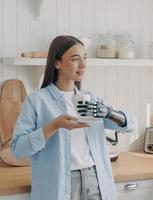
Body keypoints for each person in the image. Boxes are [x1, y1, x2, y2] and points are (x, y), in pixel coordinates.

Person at [11, 35, 137, 200]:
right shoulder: (37, 101)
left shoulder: (92, 100)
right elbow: (18, 149)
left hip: (96, 179)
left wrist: (109, 113)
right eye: (75, 59)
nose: (83, 65)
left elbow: (131, 124)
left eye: (85, 58)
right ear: (57, 63)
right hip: (60, 183)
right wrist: (54, 126)